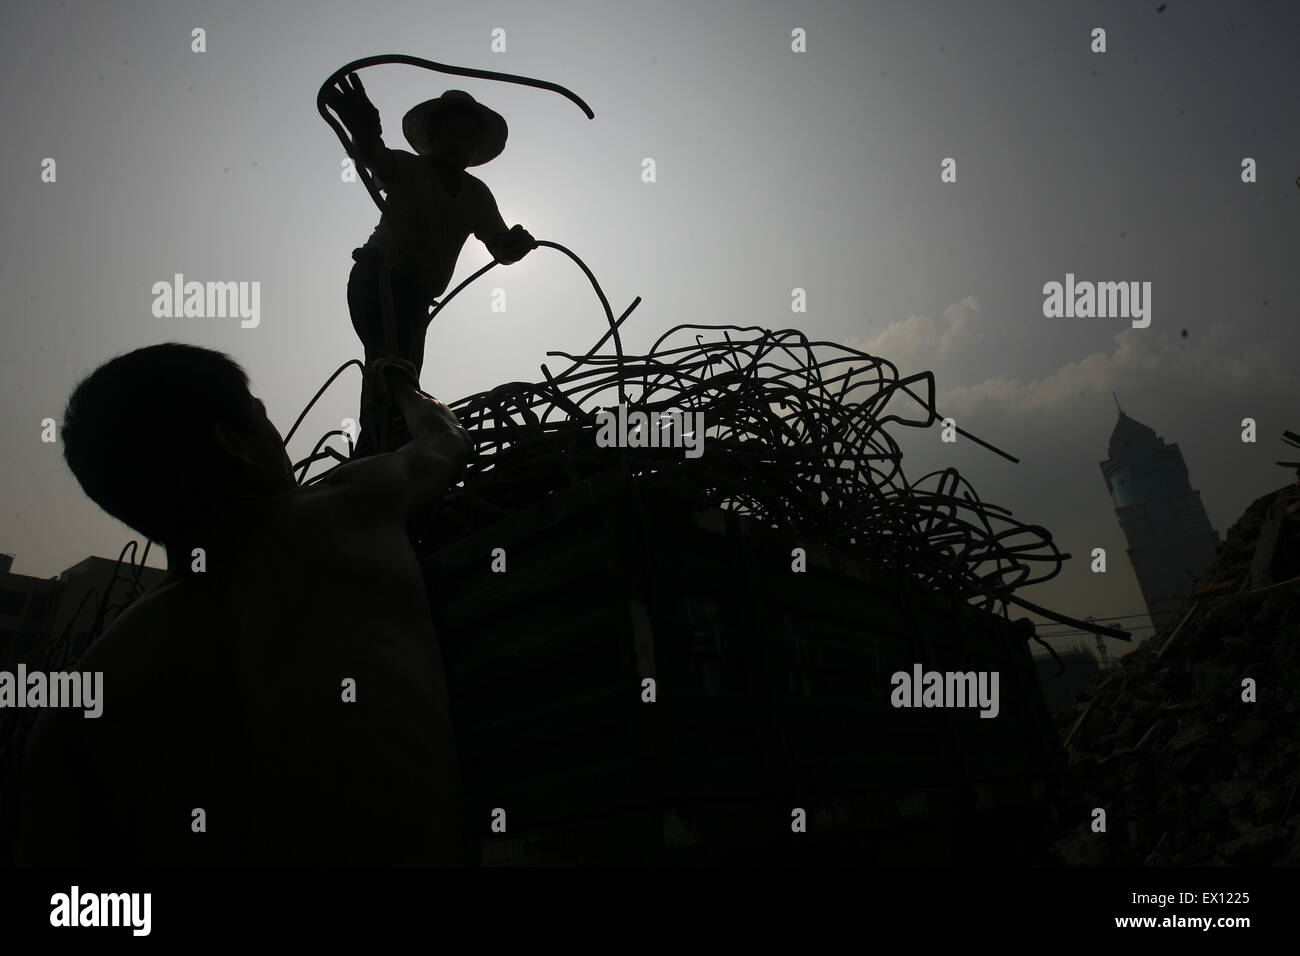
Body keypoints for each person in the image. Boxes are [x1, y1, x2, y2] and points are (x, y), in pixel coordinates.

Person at [17, 343, 471, 865]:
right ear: (231, 441)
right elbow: (446, 440)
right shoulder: (345, 509)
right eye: (261, 416)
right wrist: (400, 386)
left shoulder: (75, 712)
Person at [325, 74, 536, 456]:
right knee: (393, 369)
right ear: (434, 137)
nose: (460, 142)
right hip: (382, 278)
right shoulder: (408, 169)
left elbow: (500, 245)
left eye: (468, 136)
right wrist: (365, 129)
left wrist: (516, 245)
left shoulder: (476, 194)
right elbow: (373, 155)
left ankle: (381, 452)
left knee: (400, 371)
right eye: (451, 132)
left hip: (416, 297)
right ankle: (377, 454)